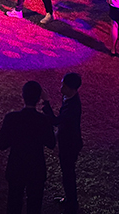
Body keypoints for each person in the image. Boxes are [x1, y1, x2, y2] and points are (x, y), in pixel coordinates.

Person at [0, 80, 56, 214]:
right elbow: (51, 143)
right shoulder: (44, 120)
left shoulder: (12, 118)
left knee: (14, 202)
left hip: (16, 166)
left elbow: (2, 145)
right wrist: (46, 103)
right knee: (34, 205)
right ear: (38, 98)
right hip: (36, 168)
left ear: (22, 95)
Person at [41, 73, 83, 214]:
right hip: (70, 141)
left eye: (64, 86)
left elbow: (55, 120)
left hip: (69, 145)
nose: (61, 88)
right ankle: (70, 201)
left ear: (72, 89)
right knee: (67, 173)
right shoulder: (71, 99)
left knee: (68, 174)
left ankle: (71, 204)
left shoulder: (72, 107)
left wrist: (46, 103)